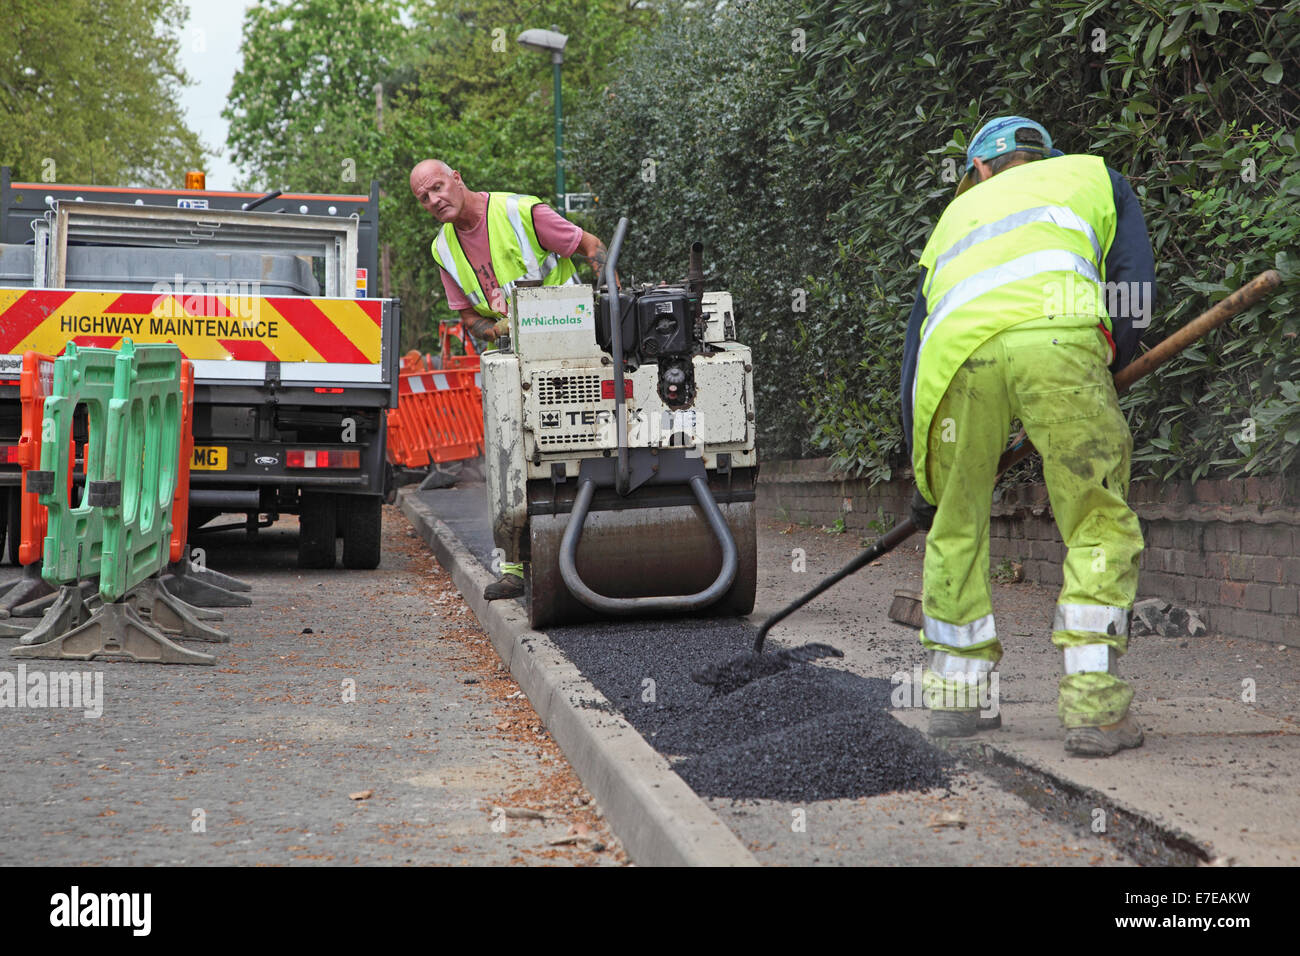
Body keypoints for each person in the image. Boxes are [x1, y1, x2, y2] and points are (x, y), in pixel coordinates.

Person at [899, 115, 1156, 757]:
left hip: (956, 364)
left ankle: (957, 700)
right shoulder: (1095, 177)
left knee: (956, 524)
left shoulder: (953, 220)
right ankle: (1093, 709)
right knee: (1096, 517)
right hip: (1060, 342)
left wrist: (927, 468)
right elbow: (1133, 284)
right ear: (1042, 157)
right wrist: (1113, 364)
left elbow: (914, 351)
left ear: (979, 168)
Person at [409, 159, 611, 600]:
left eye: (438, 187)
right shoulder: (443, 249)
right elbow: (468, 317)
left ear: (458, 178)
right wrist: (500, 329)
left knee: (587, 440)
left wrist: (609, 309)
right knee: (508, 454)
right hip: (513, 364)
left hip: (570, 352)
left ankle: (605, 539)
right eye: (424, 198)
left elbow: (592, 247)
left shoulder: (521, 213)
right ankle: (515, 569)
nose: (434, 200)